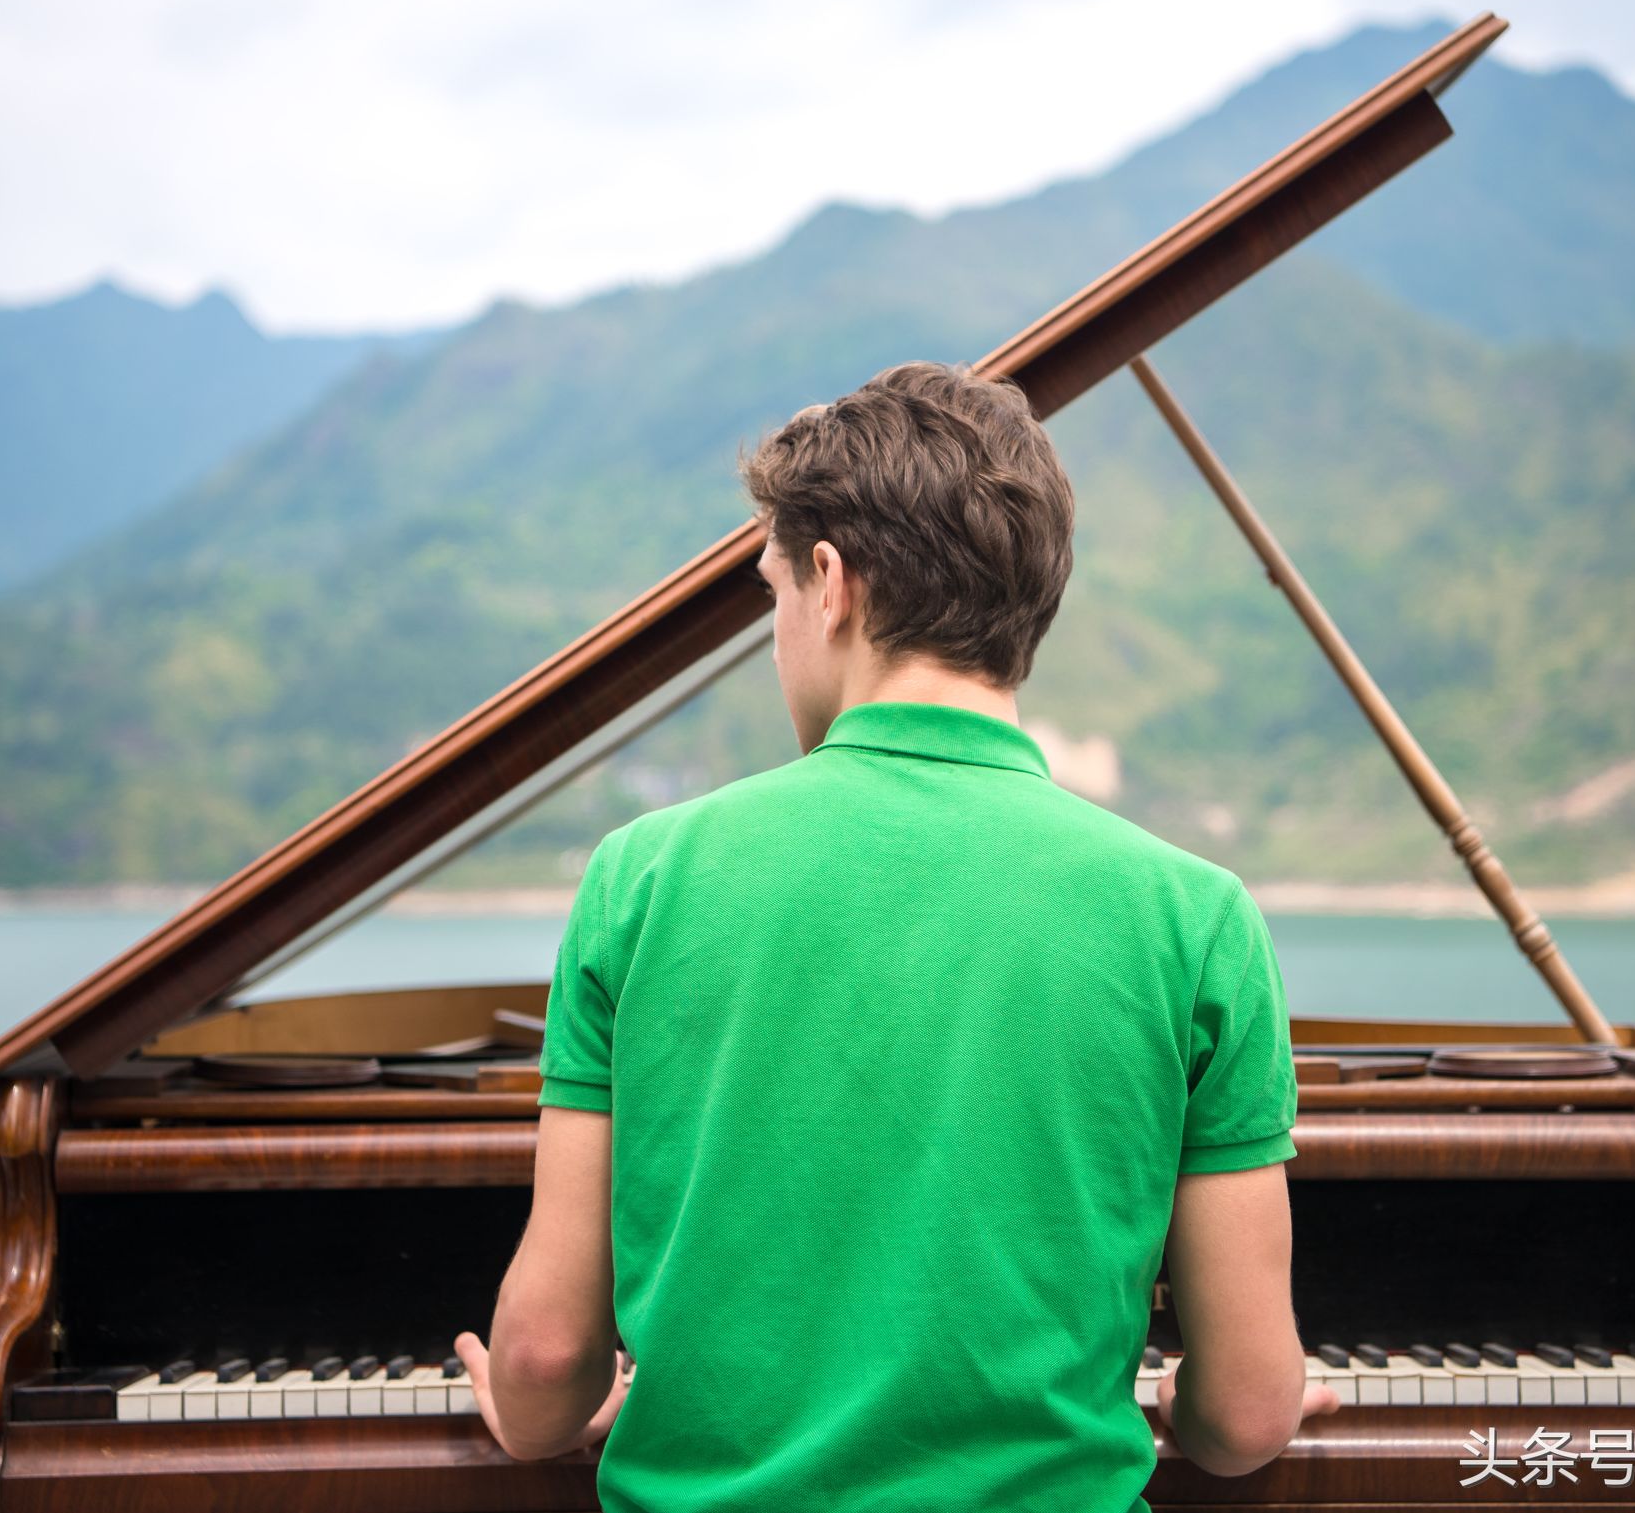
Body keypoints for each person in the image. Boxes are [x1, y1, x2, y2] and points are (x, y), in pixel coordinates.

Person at [453, 360, 1334, 1511]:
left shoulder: (642, 878)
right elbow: (1249, 1413)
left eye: (770, 592)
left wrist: (523, 1413)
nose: (778, 633)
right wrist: (1192, 1407)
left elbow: (543, 1362)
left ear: (830, 583)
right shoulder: (1197, 916)